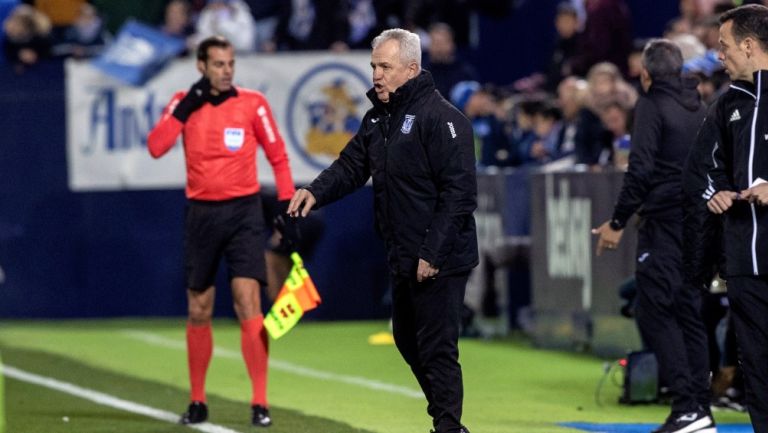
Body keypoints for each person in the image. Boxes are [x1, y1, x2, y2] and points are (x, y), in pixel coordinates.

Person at [287, 28, 477, 433]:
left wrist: (433, 253)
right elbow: (351, 166)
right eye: (374, 65)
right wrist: (314, 193)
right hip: (402, 251)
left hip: (439, 256)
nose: (376, 74)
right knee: (408, 341)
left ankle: (447, 426)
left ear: (411, 68)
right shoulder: (378, 119)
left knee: (437, 347)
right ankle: (447, 420)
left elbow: (459, 194)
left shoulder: (443, 119)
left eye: (384, 66)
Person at [146, 35, 295, 427]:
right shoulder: (184, 102)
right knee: (199, 309)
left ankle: (260, 402)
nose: (227, 70)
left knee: (249, 303)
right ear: (201, 66)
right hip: (202, 215)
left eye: (230, 63)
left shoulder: (252, 103)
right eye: (218, 64)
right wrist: (188, 106)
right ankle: (198, 401)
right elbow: (156, 147)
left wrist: (285, 204)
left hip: (244, 213)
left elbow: (278, 154)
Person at [592, 39, 714, 433]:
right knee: (689, 313)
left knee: (654, 310)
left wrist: (617, 221)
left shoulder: (650, 105)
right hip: (696, 224)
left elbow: (640, 170)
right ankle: (699, 409)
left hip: (663, 223)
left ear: (644, 74)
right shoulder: (699, 106)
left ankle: (685, 406)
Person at [703, 5, 768, 431]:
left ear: (748, 45)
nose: (719, 56)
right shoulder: (728, 105)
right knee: (758, 369)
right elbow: (701, 170)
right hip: (746, 260)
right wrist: (716, 192)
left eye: (724, 47)